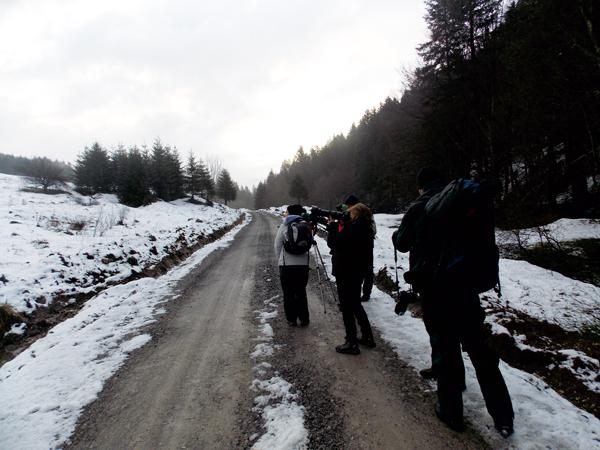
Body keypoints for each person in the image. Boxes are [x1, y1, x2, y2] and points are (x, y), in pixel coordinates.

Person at [393, 168, 514, 437]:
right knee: (480, 352)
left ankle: (451, 411)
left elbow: (402, 244)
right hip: (466, 288)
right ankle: (504, 417)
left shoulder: (420, 208)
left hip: (436, 291)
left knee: (445, 347)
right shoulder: (461, 204)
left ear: (420, 187)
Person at [327, 202, 375, 354]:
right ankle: (367, 337)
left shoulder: (355, 228)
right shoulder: (366, 227)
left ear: (356, 214)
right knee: (355, 304)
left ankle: (351, 342)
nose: (348, 214)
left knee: (347, 307)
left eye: (350, 212)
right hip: (357, 271)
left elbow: (337, 244)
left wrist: (332, 228)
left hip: (346, 271)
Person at [274, 204, 311, 327]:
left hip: (287, 265)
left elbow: (277, 245)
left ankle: (292, 319)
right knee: (301, 291)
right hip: (303, 265)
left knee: (288, 292)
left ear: (289, 212)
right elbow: (309, 243)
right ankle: (304, 319)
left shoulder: (285, 224)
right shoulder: (305, 225)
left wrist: (280, 259)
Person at [343, 194, 376, 302]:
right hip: (368, 245)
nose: (348, 208)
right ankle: (367, 293)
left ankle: (359, 292)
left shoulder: (356, 213)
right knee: (368, 270)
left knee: (359, 269)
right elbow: (374, 230)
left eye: (348, 205)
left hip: (358, 246)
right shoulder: (367, 212)